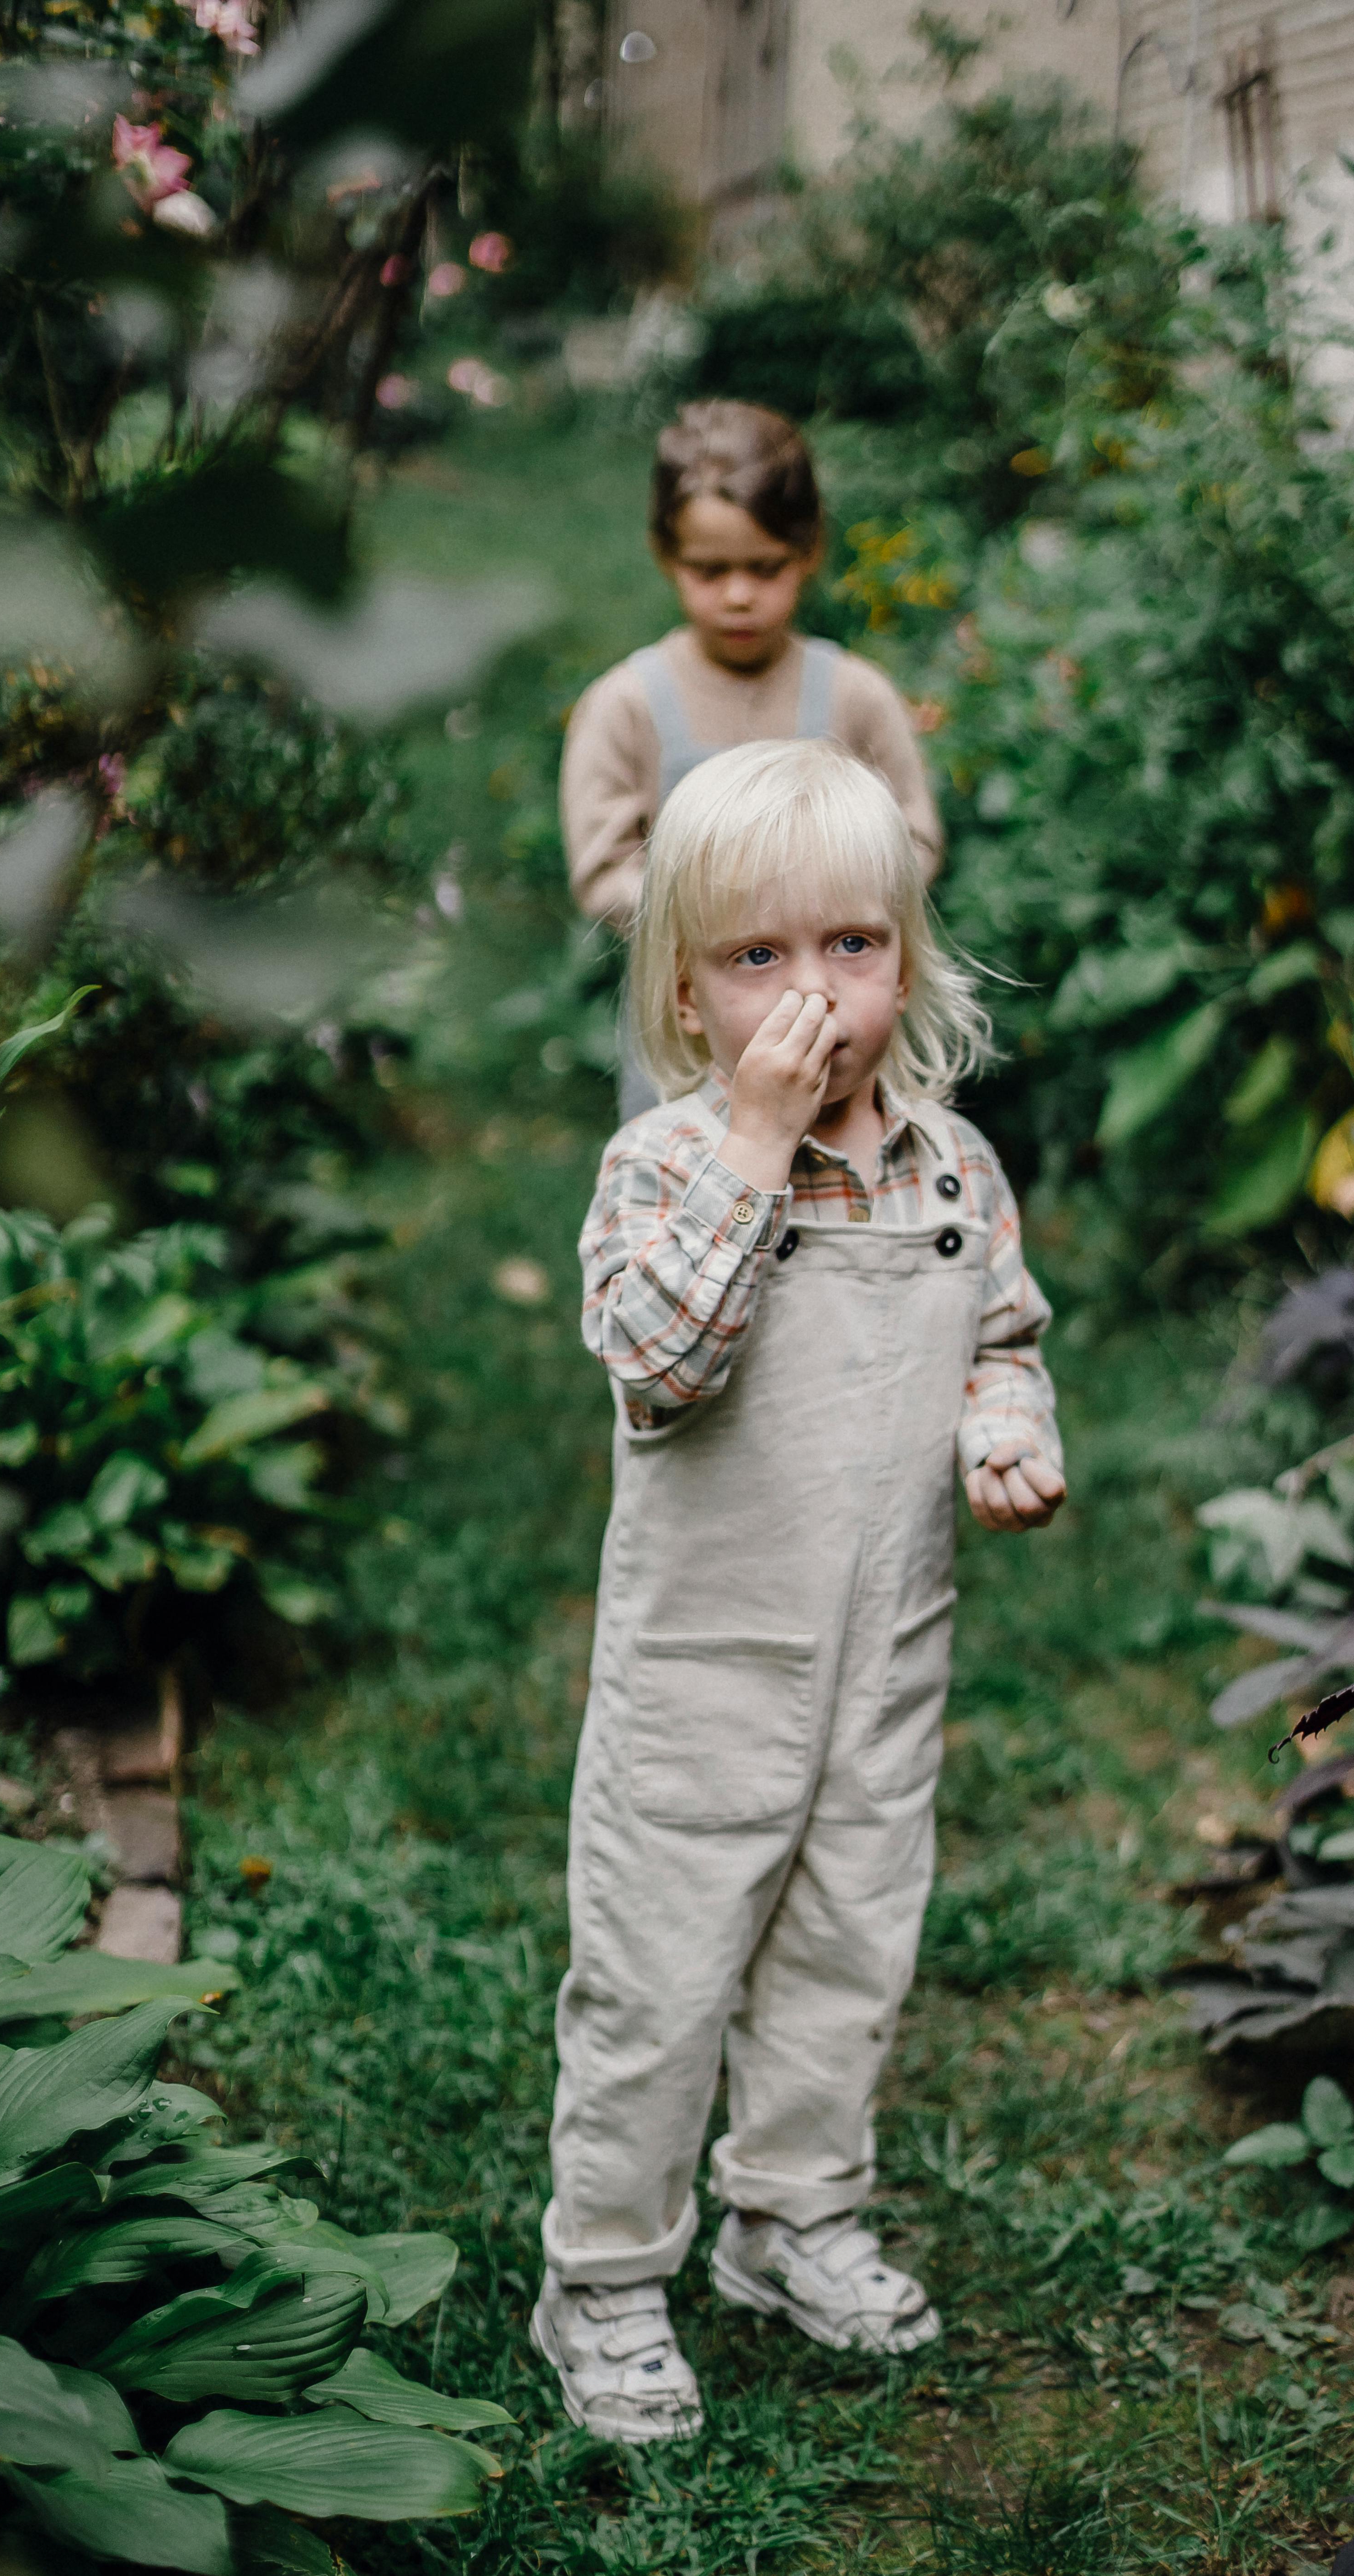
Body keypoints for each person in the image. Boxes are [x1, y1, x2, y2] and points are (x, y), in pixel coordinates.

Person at [533, 738, 1065, 2443]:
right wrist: (760, 1146)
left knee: (850, 1955)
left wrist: (1006, 1425)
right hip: (705, 1669)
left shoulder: (953, 1170)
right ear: (685, 997)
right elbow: (663, 1370)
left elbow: (1001, 1330)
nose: (812, 992)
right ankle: (605, 2280)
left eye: (851, 943)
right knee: (659, 1982)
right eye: (758, 956)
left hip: (882, 1663)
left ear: (905, 954)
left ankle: (791, 2218)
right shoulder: (668, 1172)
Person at [558, 399, 942, 1115]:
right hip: (693, 1038)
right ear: (666, 555)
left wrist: (827, 923)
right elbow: (603, 869)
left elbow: (914, 842)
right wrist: (725, 934)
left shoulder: (856, 697)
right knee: (694, 1211)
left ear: (810, 553)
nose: (739, 596)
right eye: (711, 570)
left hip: (839, 1031)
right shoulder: (627, 705)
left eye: (765, 568)